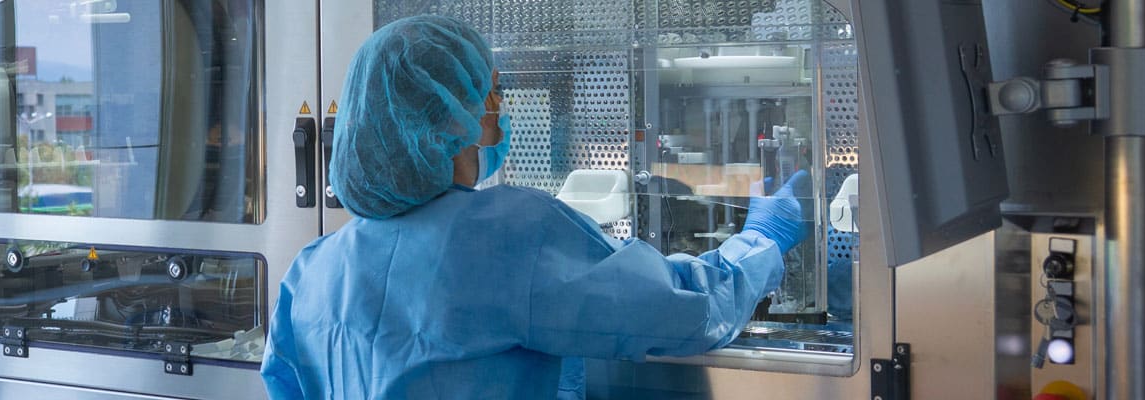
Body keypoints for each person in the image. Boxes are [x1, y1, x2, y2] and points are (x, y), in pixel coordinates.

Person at [259, 15, 810, 400]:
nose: (498, 111)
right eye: (488, 94)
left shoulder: (312, 270)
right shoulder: (505, 239)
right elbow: (681, 312)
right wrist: (763, 240)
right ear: (443, 117)